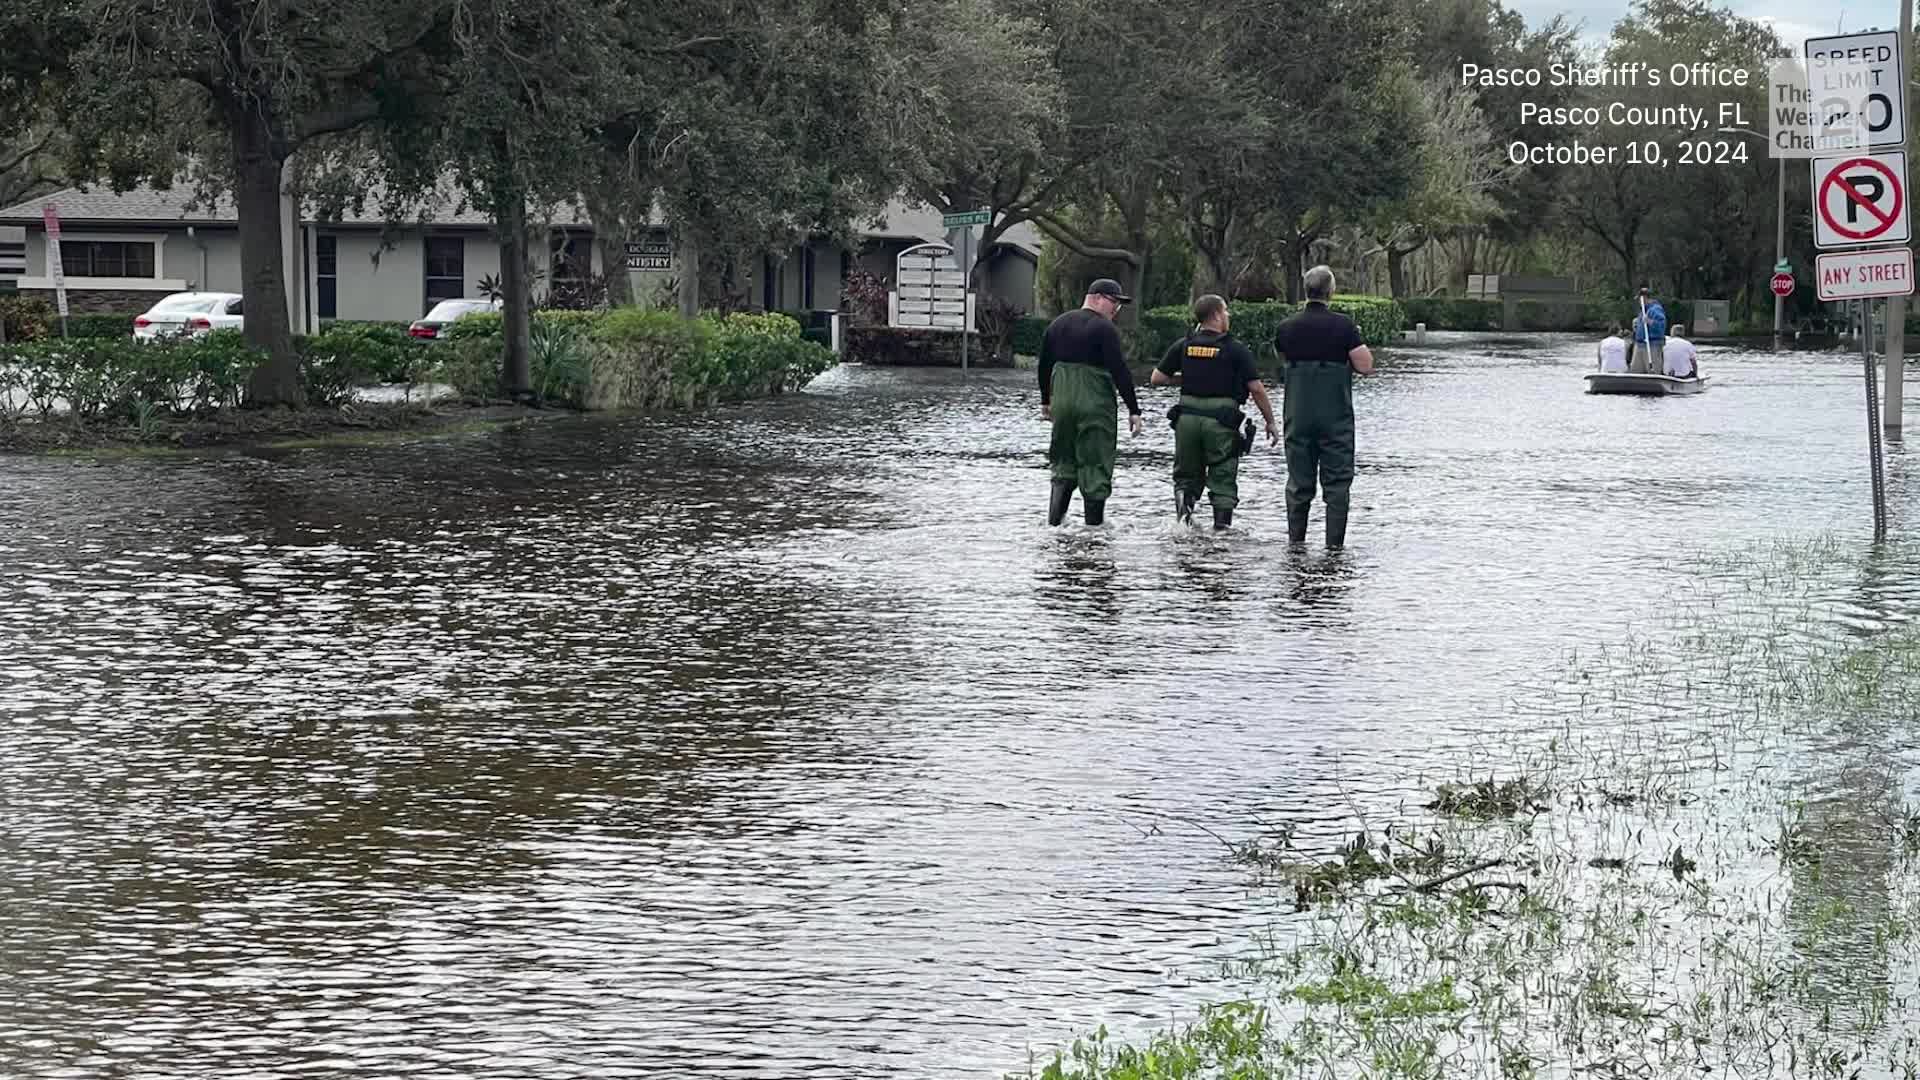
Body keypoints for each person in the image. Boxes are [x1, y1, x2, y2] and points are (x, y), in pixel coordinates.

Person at [1150, 294, 1279, 530]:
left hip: (1186, 419)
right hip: (1220, 421)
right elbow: (1256, 389)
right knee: (1223, 477)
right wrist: (1270, 421)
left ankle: (1183, 522)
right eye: (1226, 311)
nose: (1228, 315)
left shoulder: (1184, 345)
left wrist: (1191, 377)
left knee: (1186, 476)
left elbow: (1157, 378)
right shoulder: (1235, 349)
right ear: (1217, 315)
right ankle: (1221, 533)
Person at [1273, 266, 1374, 548]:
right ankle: (1334, 549)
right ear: (1331, 291)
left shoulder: (1286, 327)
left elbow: (1281, 359)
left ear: (1306, 290)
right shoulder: (1344, 326)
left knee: (1298, 483)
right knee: (1337, 484)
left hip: (1298, 415)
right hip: (1335, 418)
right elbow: (1365, 366)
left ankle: (1295, 546)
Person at [1038, 278, 1145, 526]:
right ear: (1096, 298)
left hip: (1062, 402)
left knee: (1063, 462)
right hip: (1094, 403)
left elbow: (1044, 365)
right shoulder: (1105, 329)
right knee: (1096, 463)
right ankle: (1094, 531)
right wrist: (1134, 409)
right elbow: (1119, 370)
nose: (1116, 309)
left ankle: (1054, 525)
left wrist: (1046, 400)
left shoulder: (1057, 324)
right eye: (1114, 302)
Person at [1631, 287, 1667, 374]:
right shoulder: (1643, 311)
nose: (1638, 302)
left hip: (1652, 345)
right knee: (1635, 370)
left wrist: (1650, 321)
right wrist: (1637, 327)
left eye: (1639, 299)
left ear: (1644, 298)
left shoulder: (1656, 309)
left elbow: (1661, 326)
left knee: (1653, 370)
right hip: (1640, 344)